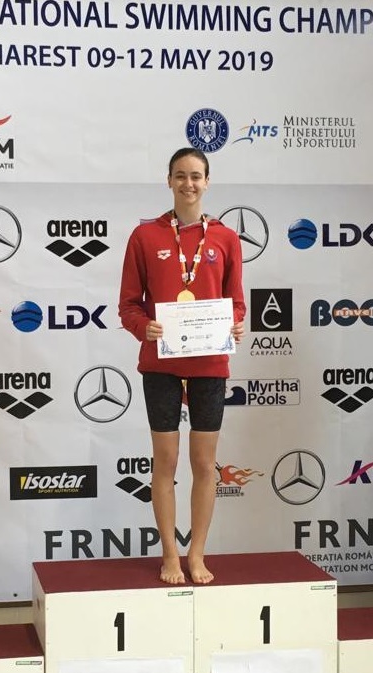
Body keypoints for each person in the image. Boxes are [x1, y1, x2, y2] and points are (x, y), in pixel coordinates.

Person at [119, 148, 246, 585]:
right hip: (161, 363)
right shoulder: (145, 236)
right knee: (166, 461)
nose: (188, 184)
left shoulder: (226, 238)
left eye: (195, 176)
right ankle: (170, 554)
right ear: (169, 181)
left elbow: (236, 301)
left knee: (205, 464)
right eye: (180, 176)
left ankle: (198, 553)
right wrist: (145, 327)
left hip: (210, 363)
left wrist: (235, 324)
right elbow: (128, 305)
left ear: (207, 182)